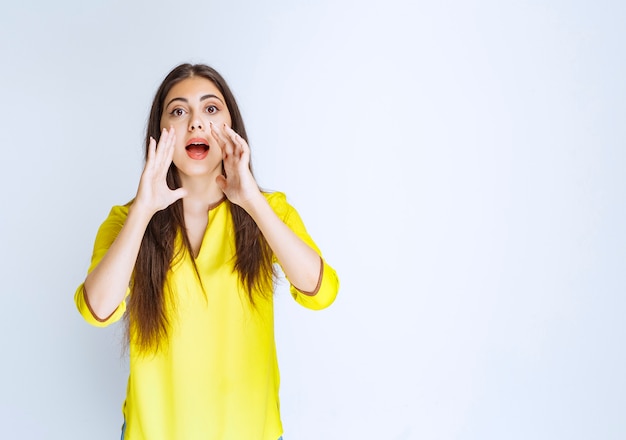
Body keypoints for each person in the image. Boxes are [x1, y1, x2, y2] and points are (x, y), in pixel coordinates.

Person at [74, 63, 339, 440]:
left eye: (211, 109)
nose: (196, 123)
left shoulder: (270, 211)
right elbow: (96, 310)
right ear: (160, 132)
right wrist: (144, 210)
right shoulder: (125, 221)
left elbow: (321, 291)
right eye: (178, 111)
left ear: (231, 128)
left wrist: (250, 198)